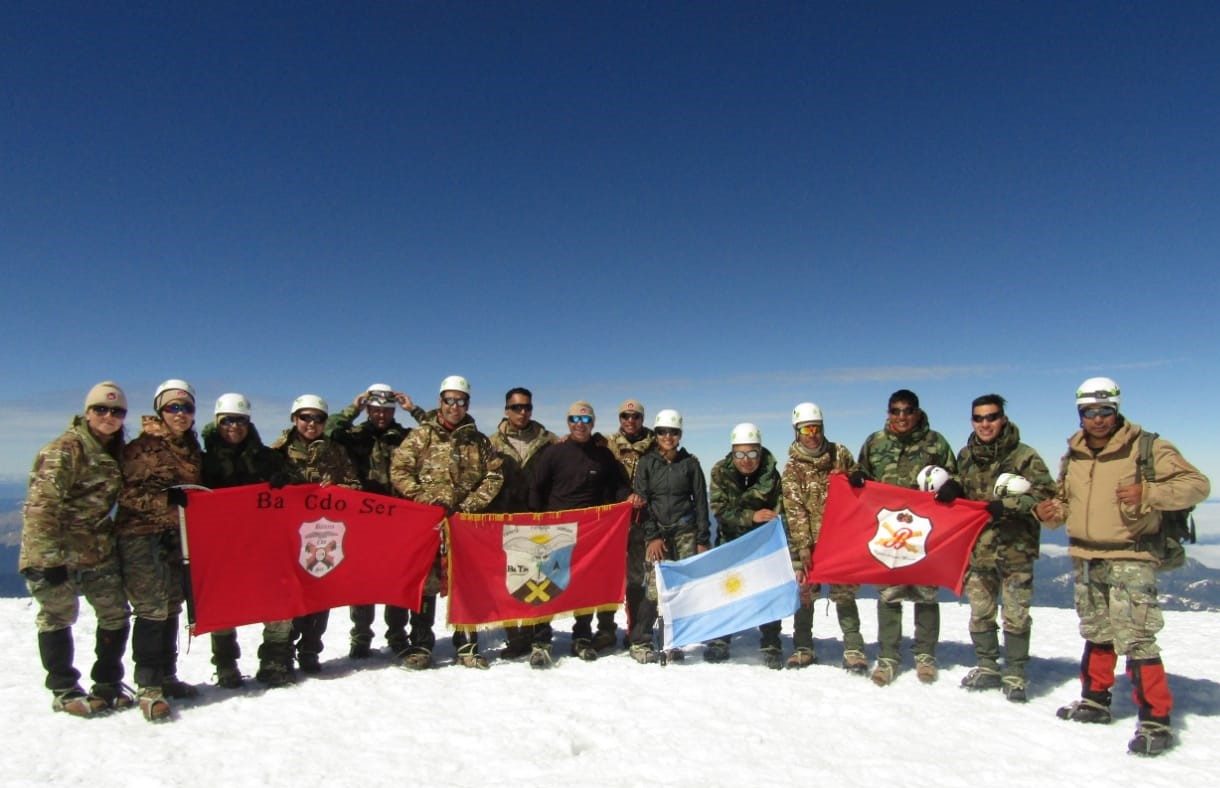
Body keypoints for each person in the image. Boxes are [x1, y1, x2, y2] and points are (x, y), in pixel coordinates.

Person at [1034, 377, 1210, 756]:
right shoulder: (1074, 454)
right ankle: (1095, 701)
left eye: (1104, 411)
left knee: (1136, 636)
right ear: (1080, 413)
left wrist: (1150, 493)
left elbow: (1197, 484)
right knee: (1097, 630)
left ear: (1116, 409)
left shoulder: (1147, 447)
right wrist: (1048, 513)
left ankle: (1155, 721)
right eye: (1089, 412)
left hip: (1130, 554)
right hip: (1085, 555)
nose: (1097, 419)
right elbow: (1065, 502)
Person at [19, 382, 133, 717]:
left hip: (95, 547)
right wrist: (47, 560)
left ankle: (108, 683)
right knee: (58, 615)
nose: (109, 416)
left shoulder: (113, 449)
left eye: (117, 411)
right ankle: (64, 688)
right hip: (55, 550)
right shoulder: (66, 449)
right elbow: (41, 507)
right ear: (87, 412)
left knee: (115, 612)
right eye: (101, 409)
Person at [390, 375, 504, 670]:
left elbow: (494, 476)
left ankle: (466, 644)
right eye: (449, 400)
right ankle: (421, 645)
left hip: (464, 525)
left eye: (461, 401)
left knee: (465, 583)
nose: (455, 406)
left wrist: (469, 506)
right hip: (427, 525)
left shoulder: (478, 441)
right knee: (425, 584)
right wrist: (423, 499)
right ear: (440, 402)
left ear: (468, 404)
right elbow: (400, 470)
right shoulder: (422, 436)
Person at [853, 389, 957, 686]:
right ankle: (888, 657)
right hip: (888, 532)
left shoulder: (935, 442)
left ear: (917, 412)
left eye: (907, 411)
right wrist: (857, 476)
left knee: (926, 594)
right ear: (888, 413)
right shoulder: (875, 442)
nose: (901, 417)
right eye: (895, 411)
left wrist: (954, 487)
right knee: (889, 594)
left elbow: (956, 475)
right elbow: (863, 471)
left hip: (925, 531)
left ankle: (925, 656)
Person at [955, 394, 1055, 702]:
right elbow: (962, 486)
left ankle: (1015, 674)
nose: (985, 424)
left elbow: (1045, 493)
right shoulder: (966, 455)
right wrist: (952, 486)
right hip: (978, 549)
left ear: (1003, 418)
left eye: (992, 417)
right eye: (979, 418)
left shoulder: (1025, 456)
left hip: (1015, 547)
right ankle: (987, 667)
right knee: (980, 612)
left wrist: (1008, 505)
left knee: (1016, 613)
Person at [115, 379, 204, 721]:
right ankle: (148, 685)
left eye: (186, 407)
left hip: (174, 537)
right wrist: (165, 501)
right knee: (151, 608)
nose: (180, 414)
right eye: (173, 407)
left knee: (170, 605)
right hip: (141, 535)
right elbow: (125, 494)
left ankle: (167, 675)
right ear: (160, 410)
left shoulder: (189, 447)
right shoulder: (144, 447)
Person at [200, 393, 296, 688]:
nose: (234, 426)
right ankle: (226, 664)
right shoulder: (203, 460)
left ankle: (275, 660)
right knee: (223, 604)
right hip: (222, 545)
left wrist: (286, 480)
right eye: (227, 420)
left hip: (263, 543)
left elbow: (298, 485)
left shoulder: (266, 457)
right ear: (217, 422)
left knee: (278, 599)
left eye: (240, 420)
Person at [526, 401, 630, 668]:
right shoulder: (554, 453)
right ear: (568, 422)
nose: (579, 424)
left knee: (584, 585)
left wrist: (627, 499)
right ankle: (541, 641)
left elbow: (616, 487)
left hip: (589, 531)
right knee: (546, 585)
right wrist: (538, 521)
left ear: (592, 423)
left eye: (585, 420)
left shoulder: (602, 455)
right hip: (554, 529)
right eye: (574, 419)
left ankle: (581, 637)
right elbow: (536, 486)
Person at [327, 383, 424, 660]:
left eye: (387, 410)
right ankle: (361, 636)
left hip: (397, 519)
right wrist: (352, 409)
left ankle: (397, 634)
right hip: (363, 519)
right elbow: (331, 429)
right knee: (363, 580)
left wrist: (413, 409)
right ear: (368, 409)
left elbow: (437, 431)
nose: (381, 415)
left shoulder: (405, 436)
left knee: (397, 579)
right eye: (376, 410)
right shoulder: (355, 435)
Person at [270, 394, 361, 675]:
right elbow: (262, 489)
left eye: (318, 418)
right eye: (305, 417)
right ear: (294, 419)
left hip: (323, 535)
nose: (311, 423)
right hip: (287, 535)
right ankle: (281, 652)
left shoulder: (334, 451)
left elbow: (355, 485)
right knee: (288, 593)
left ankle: (310, 649)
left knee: (320, 591)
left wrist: (337, 488)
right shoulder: (278, 450)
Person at [780, 402, 864, 673]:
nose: (812, 434)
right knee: (805, 594)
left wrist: (854, 477)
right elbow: (795, 510)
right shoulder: (792, 469)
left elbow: (860, 483)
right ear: (797, 432)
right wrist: (804, 547)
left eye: (816, 428)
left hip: (840, 541)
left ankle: (853, 648)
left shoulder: (839, 454)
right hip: (809, 544)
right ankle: (803, 647)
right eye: (806, 429)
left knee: (844, 594)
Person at [627, 408, 711, 664]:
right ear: (656, 433)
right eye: (663, 432)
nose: (668, 437)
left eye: (673, 432)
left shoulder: (690, 464)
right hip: (657, 533)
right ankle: (640, 640)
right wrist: (652, 536)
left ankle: (674, 639)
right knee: (653, 588)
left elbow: (700, 502)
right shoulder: (646, 463)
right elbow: (642, 501)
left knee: (681, 588)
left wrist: (702, 539)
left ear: (680, 435)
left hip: (685, 530)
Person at [488, 388, 558, 662]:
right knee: (510, 581)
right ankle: (515, 638)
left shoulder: (549, 441)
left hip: (539, 522)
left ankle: (539, 637)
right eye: (516, 408)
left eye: (527, 407)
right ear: (506, 409)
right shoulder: (490, 443)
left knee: (539, 581)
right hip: (504, 523)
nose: (522, 412)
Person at [708, 422, 785, 669]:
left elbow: (778, 508)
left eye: (752, 453)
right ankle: (721, 638)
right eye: (740, 454)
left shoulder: (771, 475)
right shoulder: (720, 471)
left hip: (762, 545)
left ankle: (771, 640)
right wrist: (750, 517)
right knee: (727, 591)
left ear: (760, 452)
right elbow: (719, 509)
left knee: (767, 591)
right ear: (732, 453)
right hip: (730, 543)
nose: (746, 460)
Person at [602, 399, 655, 640]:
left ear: (643, 419)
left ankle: (635, 629)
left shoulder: (656, 444)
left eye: (635, 417)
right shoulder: (607, 445)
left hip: (643, 523)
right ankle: (605, 630)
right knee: (607, 576)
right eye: (625, 416)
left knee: (637, 578)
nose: (630, 421)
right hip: (613, 524)